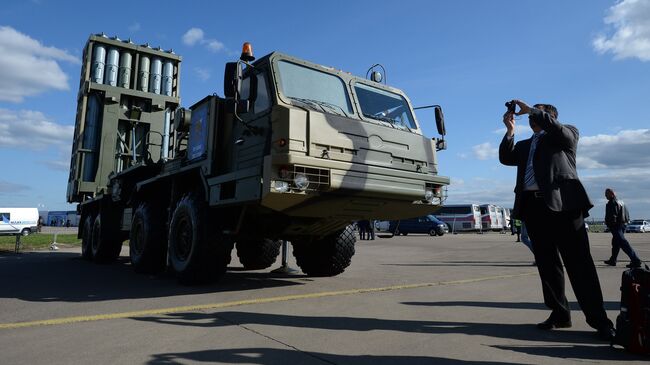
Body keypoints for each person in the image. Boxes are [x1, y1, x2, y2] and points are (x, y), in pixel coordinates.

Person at [499, 100, 614, 340]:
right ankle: (560, 314)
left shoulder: (566, 134)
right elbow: (506, 158)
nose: (530, 118)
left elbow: (558, 130)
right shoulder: (524, 144)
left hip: (565, 206)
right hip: (534, 208)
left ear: (549, 116)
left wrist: (531, 109)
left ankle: (599, 320)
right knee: (548, 265)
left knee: (579, 264)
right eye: (530, 116)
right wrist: (510, 130)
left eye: (537, 114)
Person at [603, 188, 642, 268]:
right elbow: (627, 215)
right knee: (615, 243)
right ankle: (613, 260)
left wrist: (610, 225)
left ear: (612, 194)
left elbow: (613, 216)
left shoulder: (612, 203)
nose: (605, 195)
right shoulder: (621, 202)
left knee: (623, 243)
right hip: (622, 224)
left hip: (616, 226)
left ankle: (636, 260)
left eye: (606, 194)